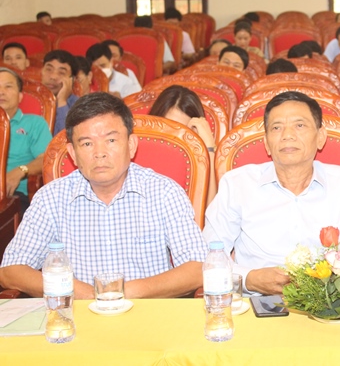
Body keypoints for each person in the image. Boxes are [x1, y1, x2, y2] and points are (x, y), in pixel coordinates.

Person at [0, 92, 208, 299]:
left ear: (131, 145)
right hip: (77, 316)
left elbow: (198, 268)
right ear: (73, 153)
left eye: (110, 140)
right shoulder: (51, 198)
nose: (100, 153)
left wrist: (124, 292)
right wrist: (82, 293)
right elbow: (11, 269)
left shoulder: (164, 192)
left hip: (148, 315)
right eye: (87, 144)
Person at [202, 91, 340, 295]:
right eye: (276, 128)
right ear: (267, 143)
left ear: (320, 137)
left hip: (332, 304)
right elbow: (208, 257)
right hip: (256, 304)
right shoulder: (237, 184)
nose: (287, 135)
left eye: (299, 125)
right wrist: (249, 279)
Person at [149, 85, 217, 205]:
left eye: (182, 131)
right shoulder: (137, 150)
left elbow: (209, 215)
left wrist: (208, 149)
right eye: (169, 127)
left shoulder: (193, 161)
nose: (174, 138)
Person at [0, 68, 51, 214]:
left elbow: (46, 159)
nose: (1, 92)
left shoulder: (35, 123)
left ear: (20, 96)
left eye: (8, 86)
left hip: (14, 193)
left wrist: (20, 171)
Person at [41, 49, 80, 135]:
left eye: (61, 73)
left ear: (72, 80)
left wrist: (62, 102)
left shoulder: (80, 106)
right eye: (49, 69)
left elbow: (67, 140)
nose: (53, 77)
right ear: (41, 71)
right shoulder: (30, 100)